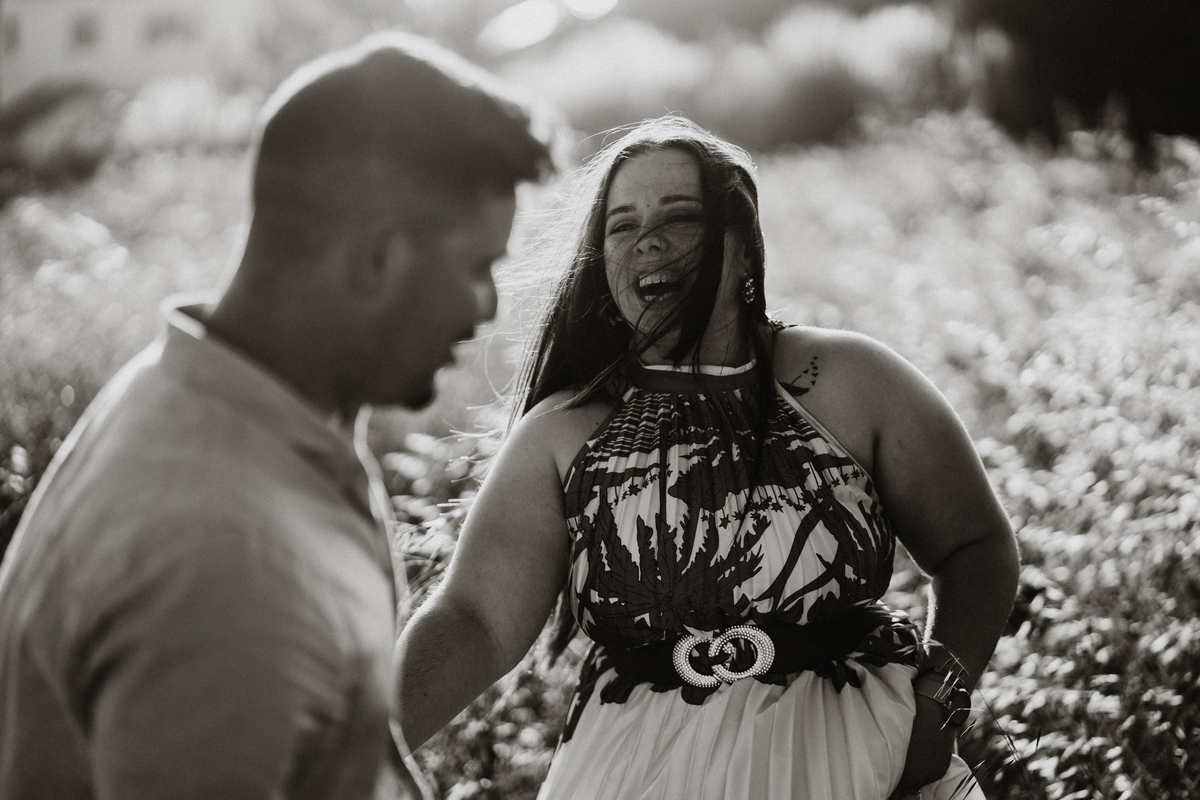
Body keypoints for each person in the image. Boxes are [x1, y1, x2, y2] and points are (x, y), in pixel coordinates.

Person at [396, 116, 1020, 799]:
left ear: (743, 248)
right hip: (637, 774)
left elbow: (976, 547)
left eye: (681, 216)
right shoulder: (564, 433)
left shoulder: (849, 379)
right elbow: (477, 621)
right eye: (622, 225)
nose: (649, 241)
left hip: (864, 764)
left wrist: (939, 706)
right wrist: (346, 753)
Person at [0, 32, 552, 800]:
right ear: (377, 260)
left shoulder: (201, 394)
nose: (489, 306)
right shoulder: (226, 562)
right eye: (476, 268)